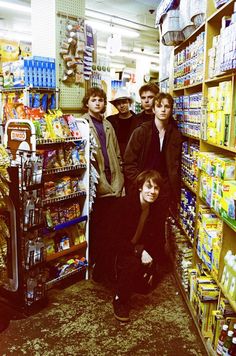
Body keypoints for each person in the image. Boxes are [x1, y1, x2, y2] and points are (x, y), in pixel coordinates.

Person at [93, 169, 163, 322]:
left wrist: (152, 261)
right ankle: (120, 299)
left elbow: (156, 239)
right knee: (132, 263)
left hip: (133, 247)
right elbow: (110, 240)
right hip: (114, 250)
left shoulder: (154, 209)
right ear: (140, 187)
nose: (152, 192)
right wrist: (138, 251)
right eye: (148, 187)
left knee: (145, 287)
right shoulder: (124, 205)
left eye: (156, 188)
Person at [123, 92, 183, 261]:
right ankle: (136, 258)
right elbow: (128, 162)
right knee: (138, 223)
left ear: (171, 110)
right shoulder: (142, 132)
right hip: (143, 187)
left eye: (167, 106)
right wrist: (139, 184)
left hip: (163, 188)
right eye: (160, 106)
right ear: (154, 108)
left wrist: (172, 190)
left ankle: (154, 263)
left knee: (157, 224)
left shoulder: (175, 134)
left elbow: (174, 165)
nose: (163, 110)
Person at [81, 86, 124, 266]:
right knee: (97, 225)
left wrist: (120, 175)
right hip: (95, 182)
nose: (98, 103)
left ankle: (107, 261)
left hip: (113, 179)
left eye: (100, 100)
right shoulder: (82, 124)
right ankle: (96, 261)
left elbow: (116, 151)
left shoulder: (107, 124)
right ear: (87, 103)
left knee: (112, 226)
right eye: (94, 100)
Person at [106, 88, 137, 158]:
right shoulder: (110, 121)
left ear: (129, 102)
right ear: (115, 105)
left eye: (124, 102)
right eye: (118, 103)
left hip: (134, 157)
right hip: (115, 156)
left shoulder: (138, 120)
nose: (121, 105)